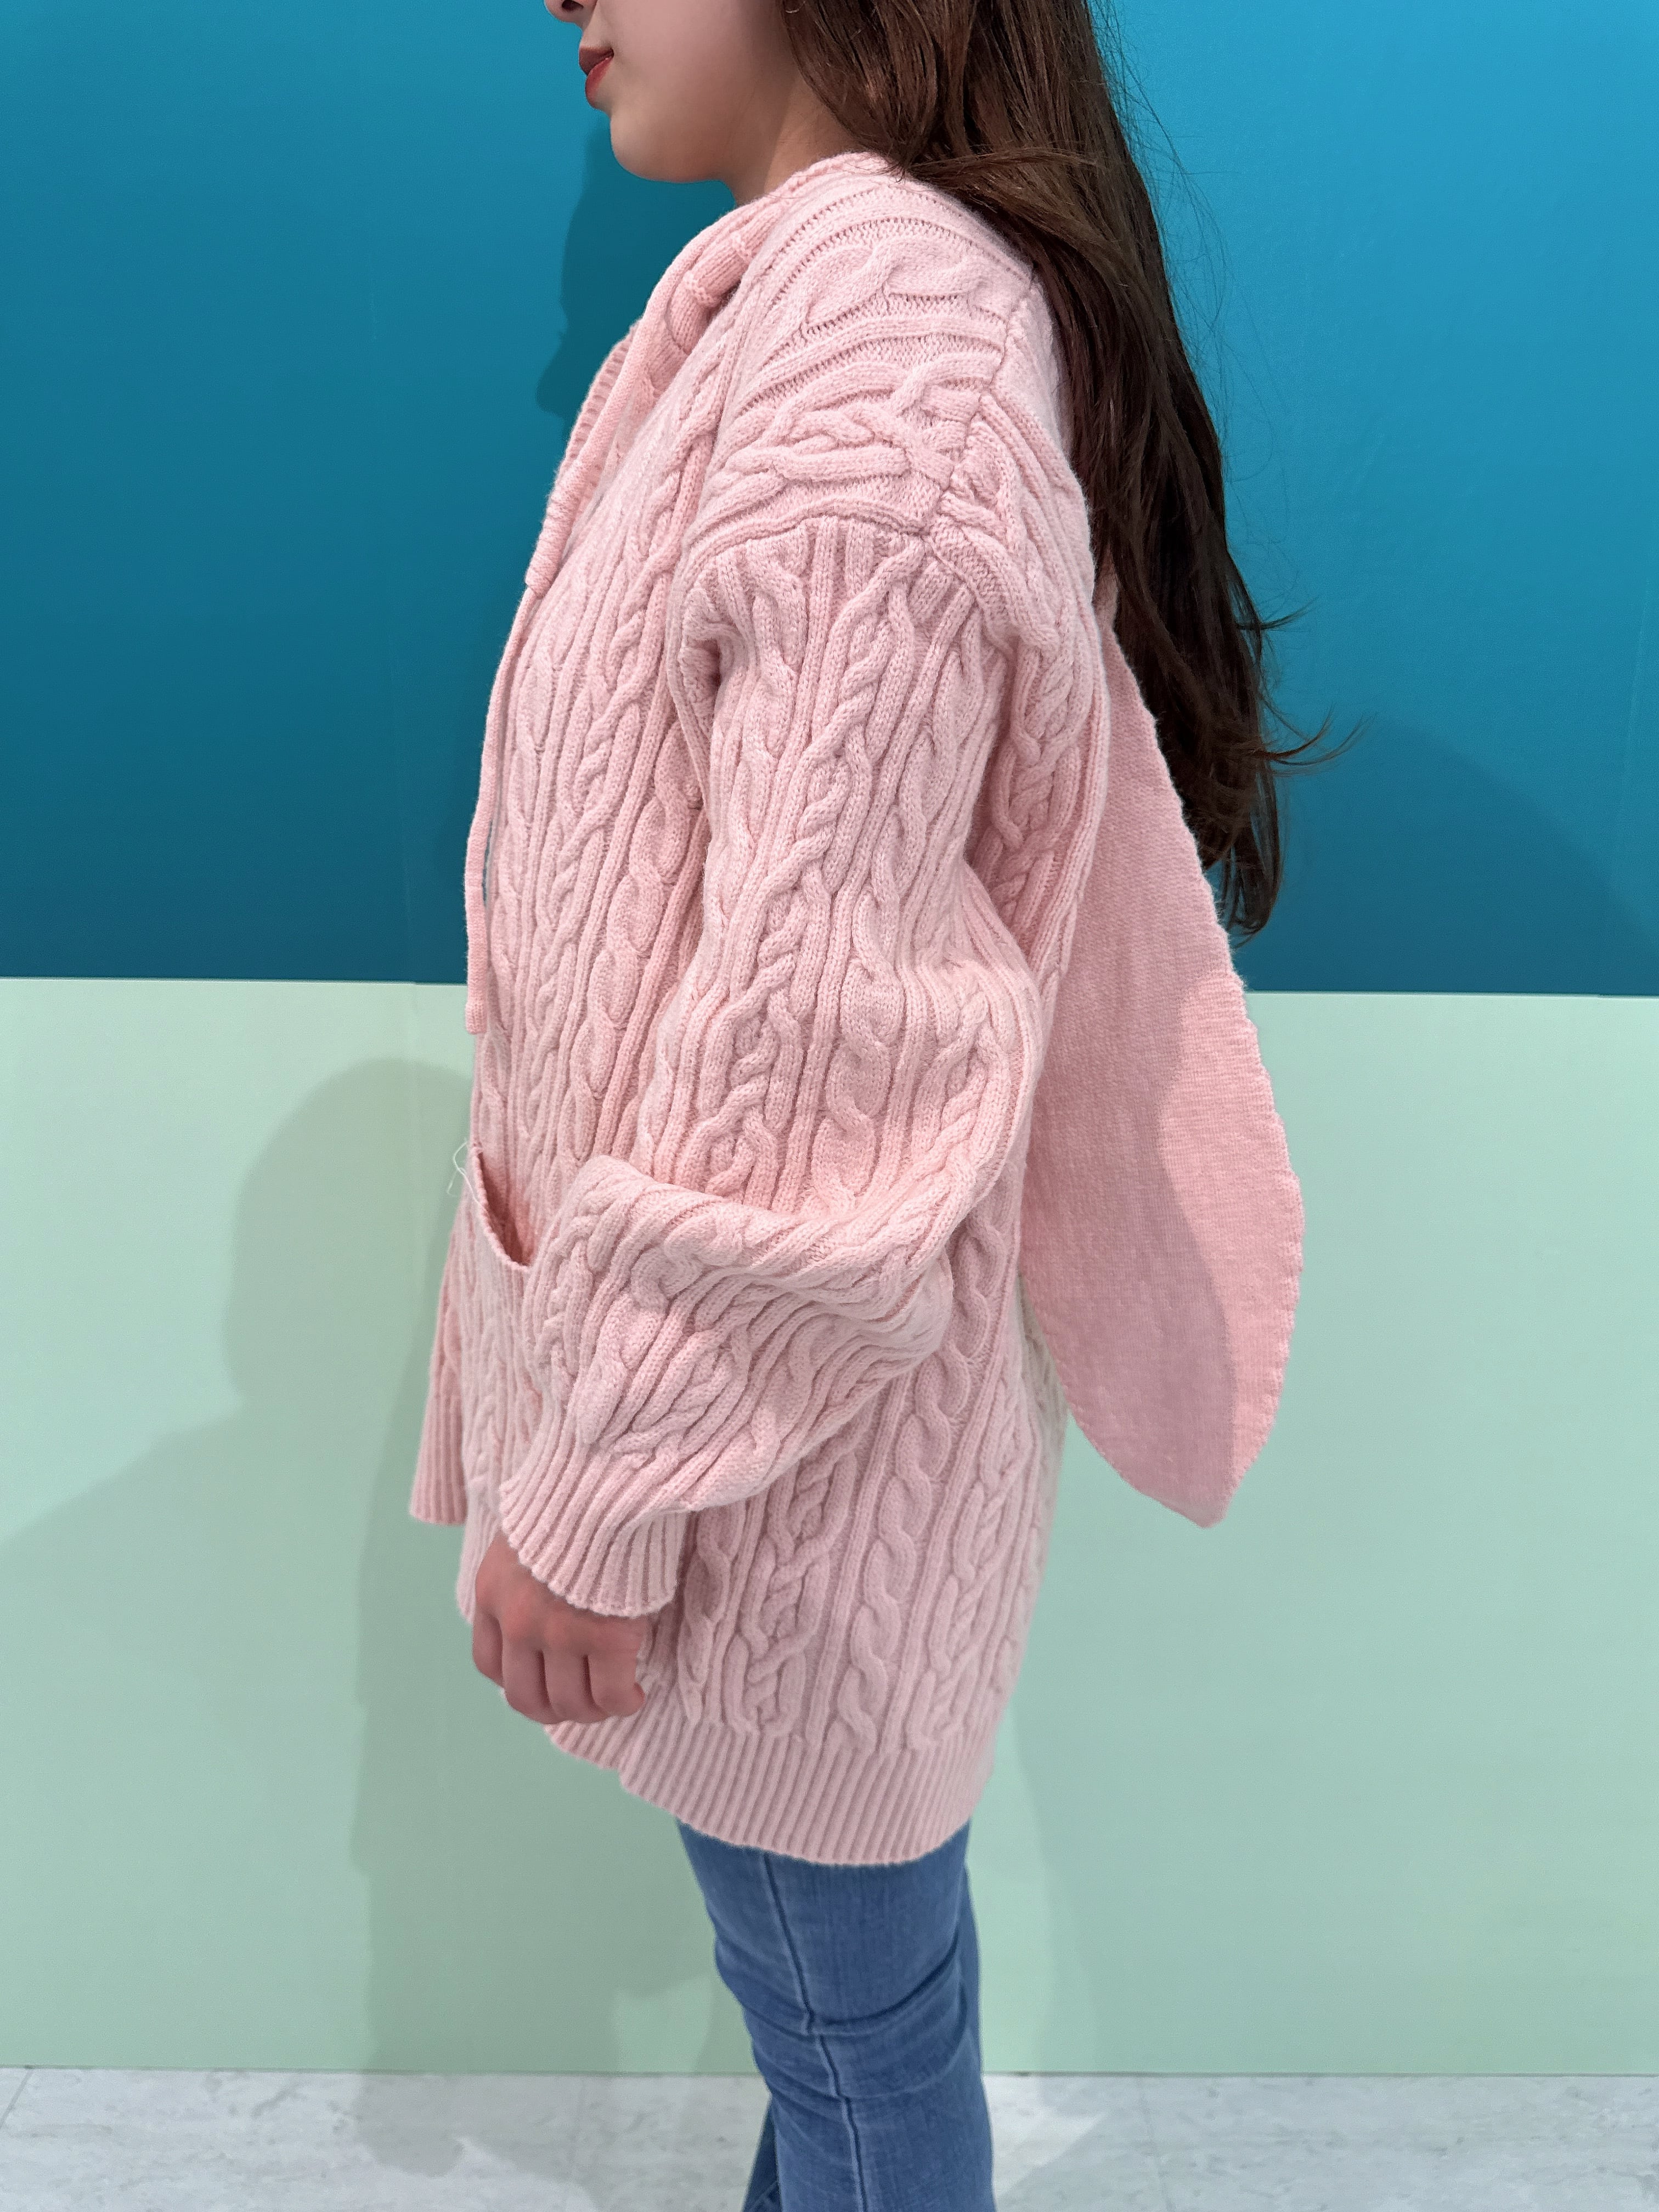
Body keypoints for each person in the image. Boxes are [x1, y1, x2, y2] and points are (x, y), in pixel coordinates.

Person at [412, 2, 1326, 2205]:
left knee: (859, 2059)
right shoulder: (818, 313)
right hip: (776, 1448)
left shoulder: (883, 338)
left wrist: (605, 1482)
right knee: (854, 2036)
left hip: (771, 1477)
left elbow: (827, 1032)